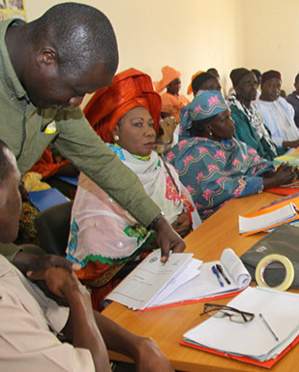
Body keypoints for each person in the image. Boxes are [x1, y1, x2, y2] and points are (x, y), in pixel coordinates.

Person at [0, 3, 184, 270]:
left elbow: (102, 162)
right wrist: (16, 257)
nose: (77, 103)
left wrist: (157, 222)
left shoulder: (56, 100)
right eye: (75, 90)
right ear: (47, 57)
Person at [0, 139, 174, 371]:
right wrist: (77, 295)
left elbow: (60, 316)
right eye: (16, 187)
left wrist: (138, 345)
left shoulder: (5, 266)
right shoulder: (5, 319)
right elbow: (94, 367)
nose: (22, 195)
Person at [67, 69, 201, 306]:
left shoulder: (156, 163)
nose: (150, 131)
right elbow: (98, 246)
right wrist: (154, 236)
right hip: (122, 284)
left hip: (167, 263)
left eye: (150, 123)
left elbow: (180, 201)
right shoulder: (101, 170)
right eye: (138, 125)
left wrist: (184, 218)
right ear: (115, 131)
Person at [167, 91, 299, 220]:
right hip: (213, 222)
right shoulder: (194, 153)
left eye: (229, 116)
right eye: (225, 119)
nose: (232, 122)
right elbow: (220, 189)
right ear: (209, 127)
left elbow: (253, 163)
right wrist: (273, 181)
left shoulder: (228, 142)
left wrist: (278, 174)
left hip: (240, 208)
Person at [229, 68, 283, 161]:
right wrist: (273, 161)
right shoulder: (236, 115)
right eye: (248, 83)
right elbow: (253, 149)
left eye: (255, 83)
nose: (254, 87)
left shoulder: (253, 111)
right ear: (237, 89)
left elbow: (266, 141)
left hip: (267, 158)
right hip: (256, 165)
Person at [254, 70, 299, 149]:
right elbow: (264, 139)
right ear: (262, 86)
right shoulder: (256, 107)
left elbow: (290, 126)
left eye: (278, 87)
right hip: (280, 152)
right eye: (271, 86)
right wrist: (292, 143)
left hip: (297, 147)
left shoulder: (281, 103)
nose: (275, 90)